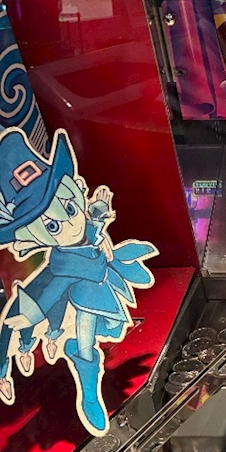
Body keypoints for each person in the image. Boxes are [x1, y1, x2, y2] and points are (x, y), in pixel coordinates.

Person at [0, 127, 157, 435]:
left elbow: (89, 234)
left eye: (70, 207)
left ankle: (67, 353)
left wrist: (97, 218)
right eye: (52, 225)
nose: (71, 223)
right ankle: (89, 393)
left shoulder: (83, 227)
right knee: (84, 339)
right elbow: (53, 289)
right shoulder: (61, 263)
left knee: (100, 328)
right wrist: (32, 315)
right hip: (81, 292)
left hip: (99, 283)